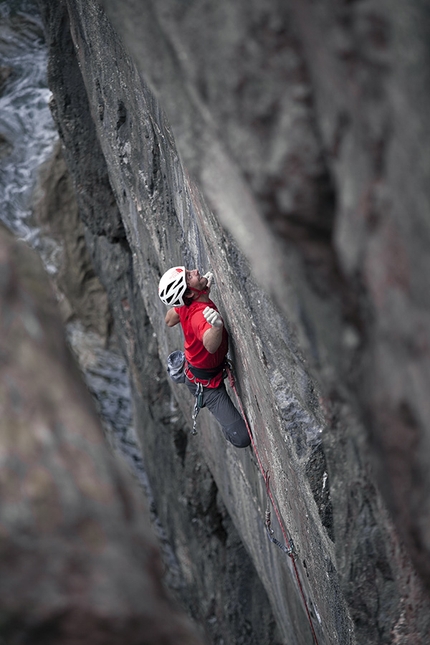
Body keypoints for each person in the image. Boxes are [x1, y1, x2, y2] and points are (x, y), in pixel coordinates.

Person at [159, 266, 251, 448]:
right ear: (189, 294)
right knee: (241, 438)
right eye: (189, 276)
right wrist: (216, 327)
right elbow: (210, 344)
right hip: (207, 386)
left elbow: (169, 320)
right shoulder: (199, 316)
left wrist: (203, 291)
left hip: (198, 369)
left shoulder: (185, 305)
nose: (195, 271)